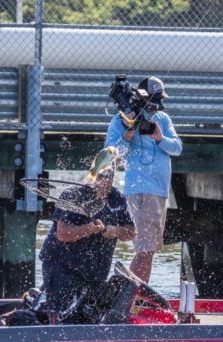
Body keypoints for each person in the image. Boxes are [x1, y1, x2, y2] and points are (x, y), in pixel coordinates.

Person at [104, 76, 182, 283]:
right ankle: (132, 297)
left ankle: (131, 295)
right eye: (154, 101)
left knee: (148, 250)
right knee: (146, 250)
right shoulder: (120, 120)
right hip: (141, 190)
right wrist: (128, 134)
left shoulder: (162, 119)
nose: (157, 106)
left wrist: (159, 138)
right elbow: (110, 154)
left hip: (159, 191)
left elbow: (177, 147)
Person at [39, 168, 136, 323]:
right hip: (62, 267)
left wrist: (116, 231)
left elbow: (131, 232)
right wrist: (89, 229)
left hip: (96, 273)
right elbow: (63, 233)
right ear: (92, 174)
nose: (104, 180)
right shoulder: (74, 194)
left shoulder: (116, 197)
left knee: (87, 317)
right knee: (62, 315)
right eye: (100, 176)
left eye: (109, 177)